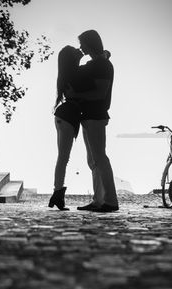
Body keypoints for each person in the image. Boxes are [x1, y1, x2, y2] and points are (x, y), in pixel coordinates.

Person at [66, 30, 119, 212]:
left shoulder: (103, 65)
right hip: (89, 116)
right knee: (93, 160)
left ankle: (110, 201)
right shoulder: (98, 63)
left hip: (96, 116)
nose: (81, 47)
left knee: (100, 158)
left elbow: (100, 93)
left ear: (90, 44)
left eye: (83, 44)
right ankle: (98, 200)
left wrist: (76, 95)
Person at [48, 45, 94, 210]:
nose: (79, 50)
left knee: (62, 158)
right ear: (72, 58)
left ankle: (57, 193)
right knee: (63, 158)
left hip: (62, 116)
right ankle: (57, 195)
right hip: (68, 117)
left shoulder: (66, 74)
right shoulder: (77, 74)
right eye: (76, 51)